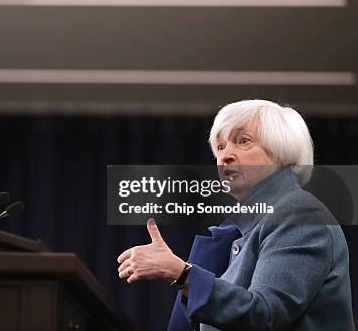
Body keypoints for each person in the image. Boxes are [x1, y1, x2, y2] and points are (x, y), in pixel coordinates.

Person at [117, 99, 354, 330]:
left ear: (283, 152)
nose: (225, 155)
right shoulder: (247, 228)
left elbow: (266, 315)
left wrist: (180, 273)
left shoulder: (300, 217)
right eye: (220, 147)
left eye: (243, 141)